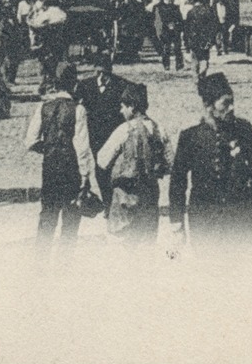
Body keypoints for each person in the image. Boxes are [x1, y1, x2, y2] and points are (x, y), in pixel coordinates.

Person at [169, 73, 252, 247]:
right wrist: (177, 222)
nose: (231, 108)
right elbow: (178, 181)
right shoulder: (190, 136)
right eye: (225, 103)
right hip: (203, 219)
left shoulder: (244, 130)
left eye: (232, 102)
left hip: (239, 216)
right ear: (209, 106)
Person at [24, 61, 99, 244]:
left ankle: (40, 265)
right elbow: (82, 147)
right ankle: (65, 266)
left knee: (47, 216)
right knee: (71, 219)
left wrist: (50, 148)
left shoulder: (43, 108)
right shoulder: (78, 110)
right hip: (70, 168)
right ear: (74, 83)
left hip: (49, 167)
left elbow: (30, 141)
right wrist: (85, 176)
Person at [96, 80, 170, 244]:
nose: (121, 110)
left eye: (123, 106)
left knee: (122, 246)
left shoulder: (123, 130)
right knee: (147, 245)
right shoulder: (159, 129)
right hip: (150, 196)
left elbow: (102, 160)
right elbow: (169, 163)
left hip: (125, 196)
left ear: (132, 107)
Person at [76, 57, 126, 207]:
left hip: (115, 133)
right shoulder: (85, 86)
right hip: (95, 134)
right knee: (100, 167)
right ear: (94, 70)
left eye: (105, 73)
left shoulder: (121, 85)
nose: (102, 77)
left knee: (114, 167)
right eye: (98, 72)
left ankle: (116, 201)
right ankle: (107, 202)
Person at [183, 0, 221, 78]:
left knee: (195, 57)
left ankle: (195, 75)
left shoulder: (191, 12)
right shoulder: (209, 11)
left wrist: (186, 40)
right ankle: (202, 74)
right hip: (205, 37)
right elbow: (214, 25)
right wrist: (213, 38)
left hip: (194, 37)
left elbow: (186, 27)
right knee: (204, 57)